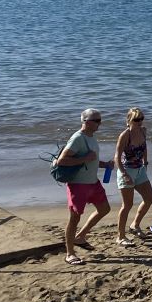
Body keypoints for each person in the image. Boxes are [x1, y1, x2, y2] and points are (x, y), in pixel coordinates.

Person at [55, 108, 112, 266]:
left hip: (93, 183)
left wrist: (105, 164)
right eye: (97, 121)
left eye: (100, 120)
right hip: (78, 185)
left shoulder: (91, 137)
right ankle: (70, 253)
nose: (100, 124)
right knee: (74, 218)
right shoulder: (78, 138)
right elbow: (61, 161)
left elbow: (91, 161)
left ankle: (80, 237)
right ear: (86, 122)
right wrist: (86, 158)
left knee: (105, 209)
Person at [114, 107, 152, 245]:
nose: (140, 122)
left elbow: (144, 146)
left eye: (141, 119)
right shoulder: (125, 135)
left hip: (140, 170)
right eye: (137, 119)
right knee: (127, 204)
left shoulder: (143, 131)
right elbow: (117, 157)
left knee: (149, 198)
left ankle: (135, 225)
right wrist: (124, 174)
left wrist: (145, 162)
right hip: (127, 170)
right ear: (129, 120)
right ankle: (120, 236)